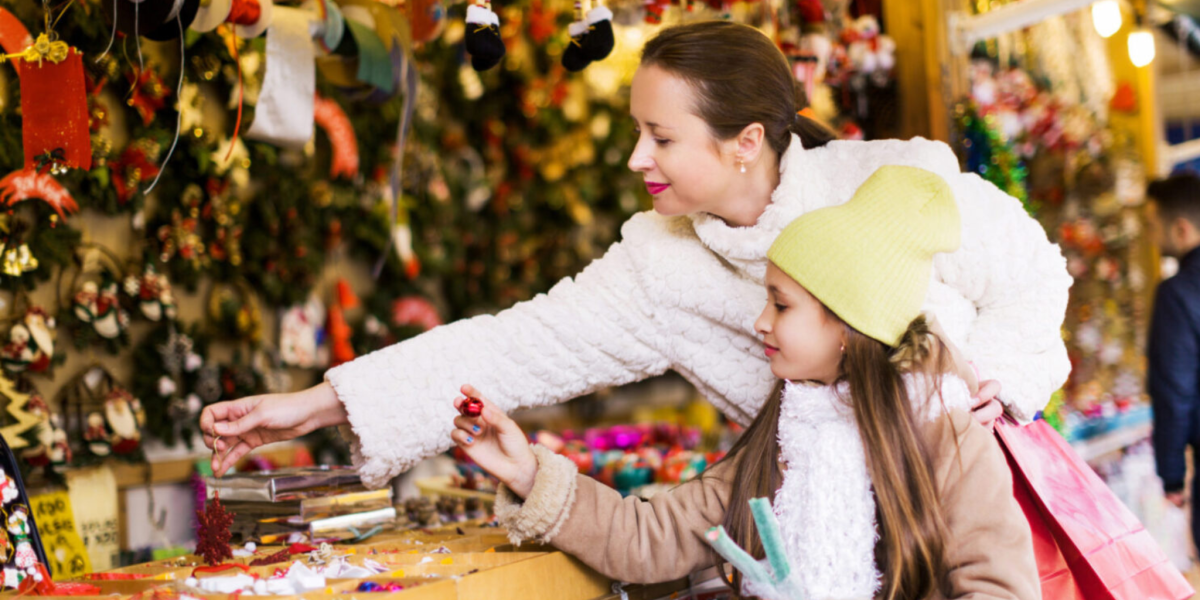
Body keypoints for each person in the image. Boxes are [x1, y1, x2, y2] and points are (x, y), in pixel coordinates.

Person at [201, 21, 1072, 488]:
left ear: (745, 142)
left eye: (659, 136)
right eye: (634, 134)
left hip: (985, 503)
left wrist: (986, 385)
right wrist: (315, 405)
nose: (635, 160)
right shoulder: (660, 264)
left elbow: (1036, 278)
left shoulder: (894, 178)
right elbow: (508, 349)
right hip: (827, 546)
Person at [451, 166, 1040, 600]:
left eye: (781, 305)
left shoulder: (946, 434)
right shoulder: (788, 437)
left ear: (846, 326)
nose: (762, 321)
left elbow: (999, 588)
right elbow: (650, 535)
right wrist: (529, 473)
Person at [1146, 171, 1200, 551]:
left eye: (1153, 225)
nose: (1151, 237)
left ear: (1181, 229)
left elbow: (1174, 391)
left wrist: (1172, 476)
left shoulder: (1177, 294)